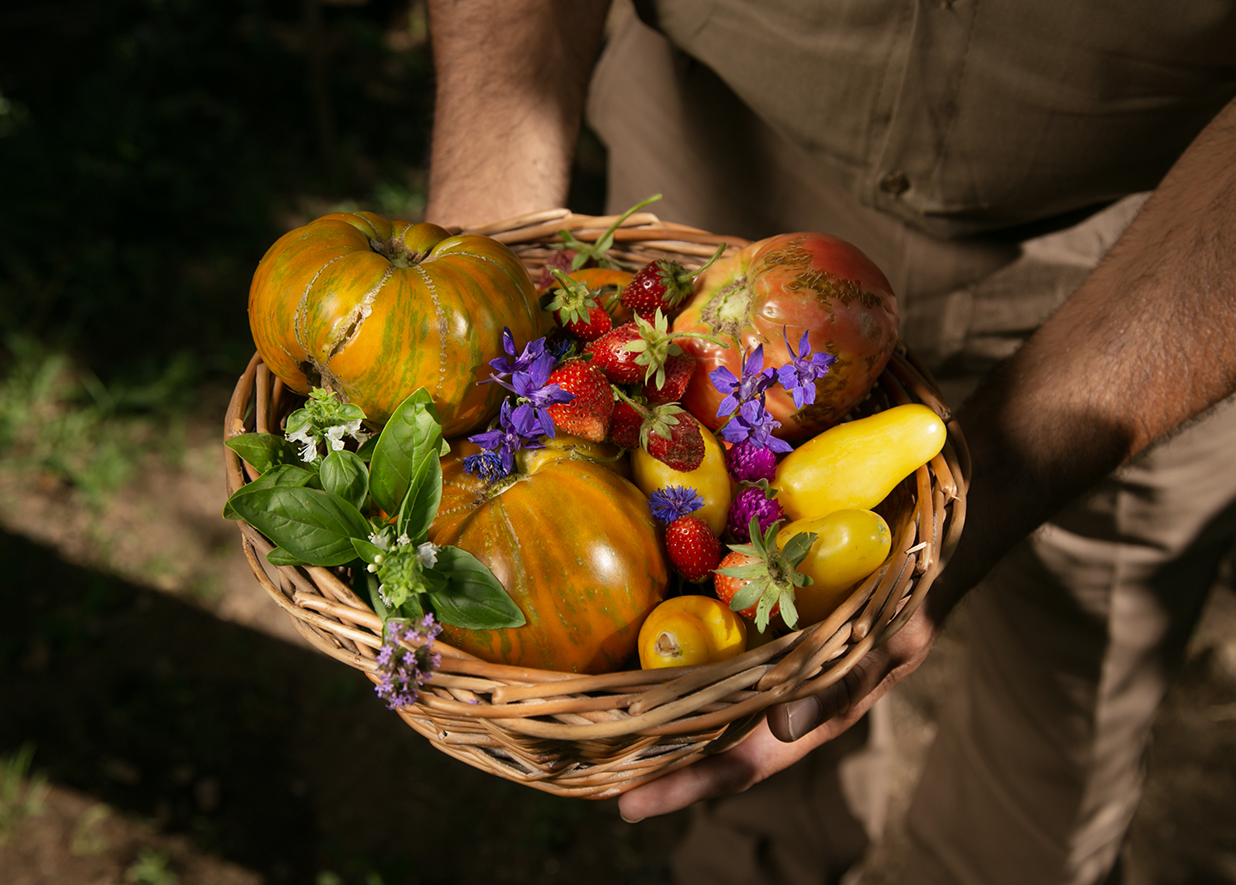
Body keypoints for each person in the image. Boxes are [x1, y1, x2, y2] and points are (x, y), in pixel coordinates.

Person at [423, 2, 1236, 883]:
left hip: (1148, 258)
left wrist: (1001, 479)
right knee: (741, 733)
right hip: (724, 180)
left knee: (1053, 746)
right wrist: (473, 284)